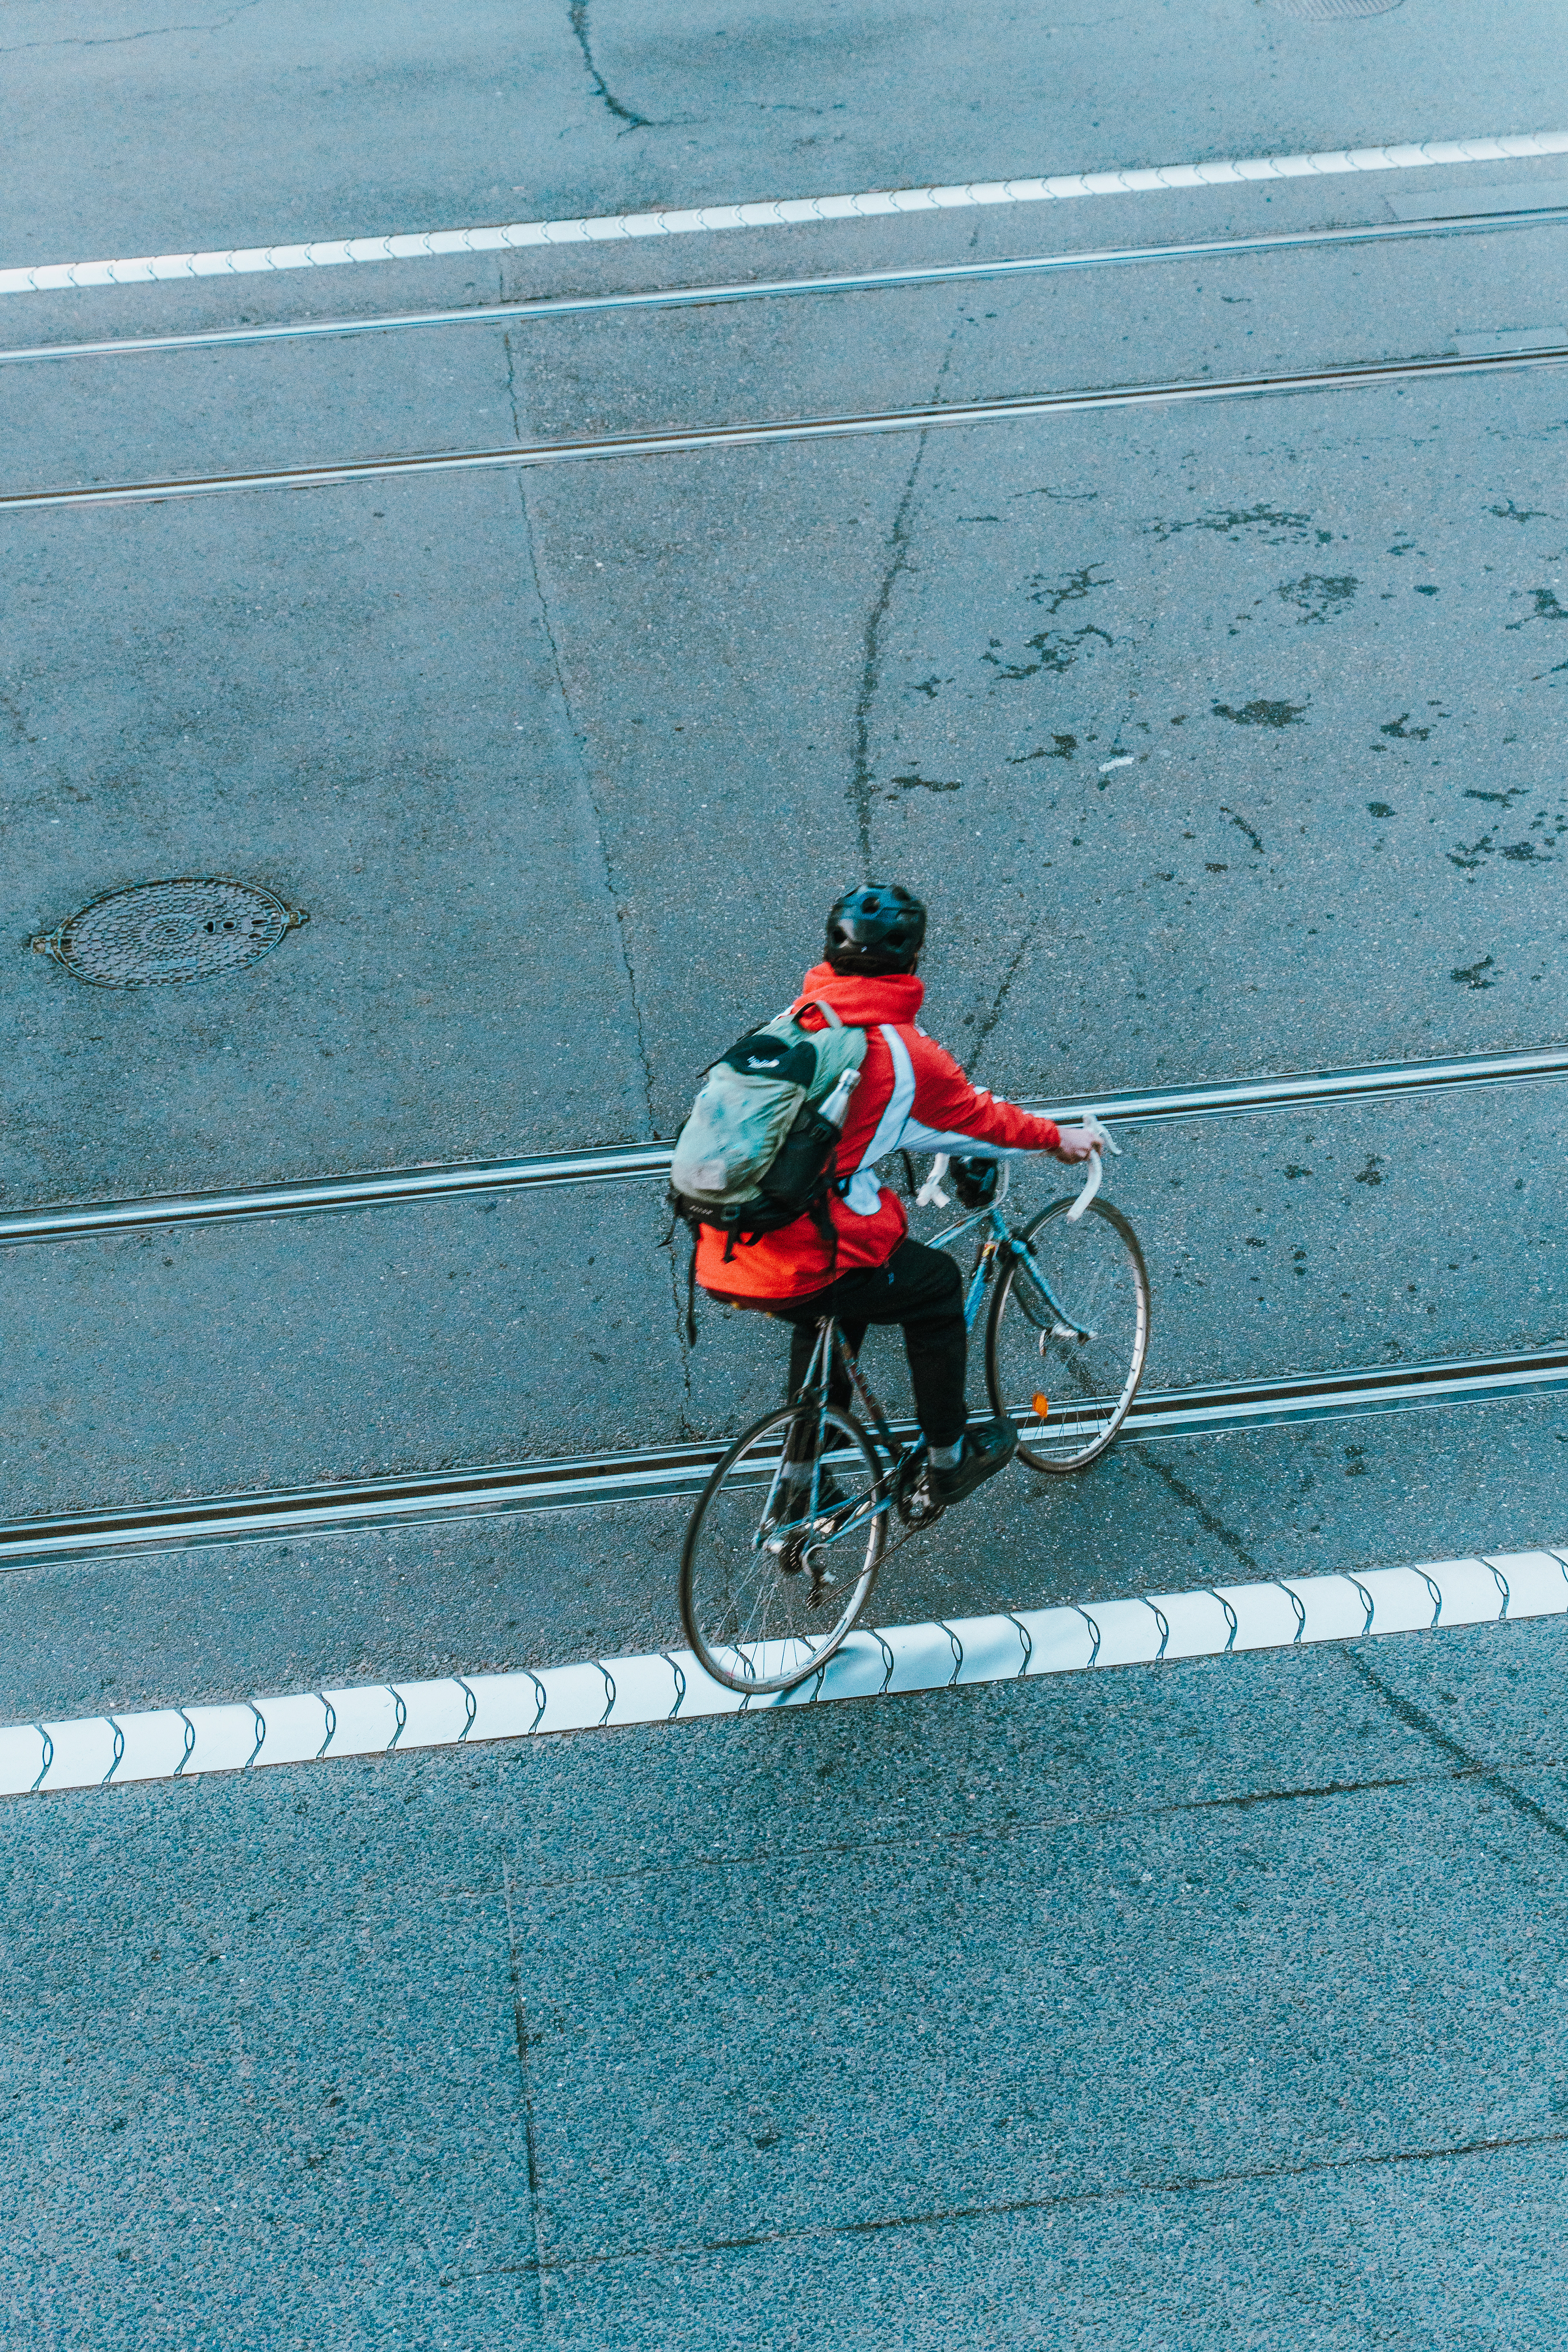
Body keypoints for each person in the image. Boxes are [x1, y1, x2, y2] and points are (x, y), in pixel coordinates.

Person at [695, 884, 1099, 1509]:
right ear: (913, 961)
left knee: (834, 1311)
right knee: (934, 1285)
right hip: (805, 1249)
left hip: (728, 1244)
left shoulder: (796, 1022)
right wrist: (1060, 1140)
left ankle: (799, 1484)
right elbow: (979, 1121)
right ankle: (949, 1458)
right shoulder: (905, 1056)